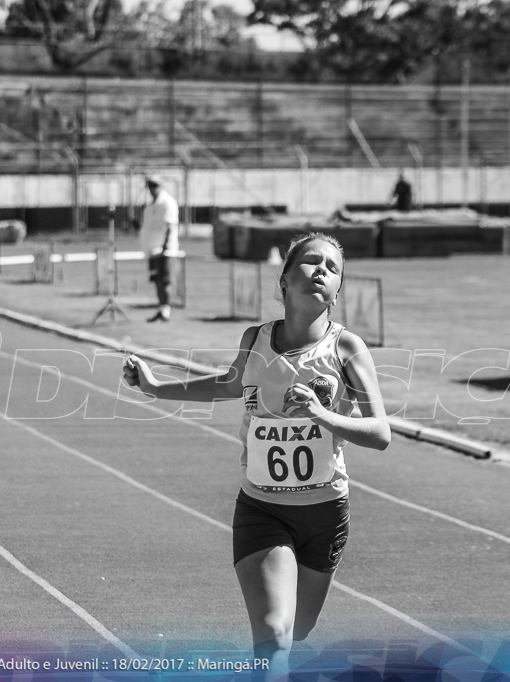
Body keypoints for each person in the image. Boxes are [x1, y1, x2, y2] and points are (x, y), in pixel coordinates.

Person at [123, 233, 391, 679]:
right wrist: (154, 386)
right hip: (262, 508)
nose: (321, 270)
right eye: (309, 262)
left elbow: (380, 432)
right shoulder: (256, 338)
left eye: (332, 267)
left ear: (338, 291)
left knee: (297, 629)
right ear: (284, 279)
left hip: (324, 512)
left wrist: (322, 414)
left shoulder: (347, 349)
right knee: (273, 634)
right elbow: (227, 385)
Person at [139, 174, 180, 322]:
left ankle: (166, 310)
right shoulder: (151, 205)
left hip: (164, 251)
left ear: (161, 186)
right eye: (150, 185)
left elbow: (170, 225)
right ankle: (162, 308)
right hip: (152, 250)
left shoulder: (167, 202)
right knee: (156, 280)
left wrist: (165, 247)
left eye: (155, 185)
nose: (152, 188)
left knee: (164, 280)